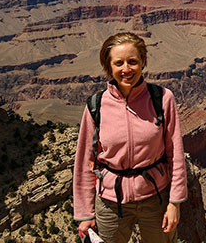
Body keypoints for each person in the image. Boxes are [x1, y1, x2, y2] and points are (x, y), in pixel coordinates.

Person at [73, 32, 187, 243]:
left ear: (143, 62)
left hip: (155, 198)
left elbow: (176, 154)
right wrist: (85, 214)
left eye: (132, 61)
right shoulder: (96, 106)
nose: (126, 69)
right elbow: (84, 162)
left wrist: (175, 202)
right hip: (110, 202)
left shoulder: (162, 98)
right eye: (119, 63)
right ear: (109, 67)